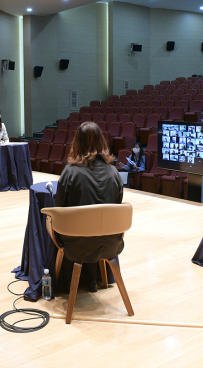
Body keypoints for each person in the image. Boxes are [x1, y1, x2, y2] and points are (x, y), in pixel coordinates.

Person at [55, 121, 124, 292]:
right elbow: (118, 204)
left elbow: (59, 208)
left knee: (50, 222)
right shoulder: (114, 172)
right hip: (111, 243)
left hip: (77, 245)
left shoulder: (70, 172)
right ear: (102, 141)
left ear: (77, 142)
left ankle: (63, 282)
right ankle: (95, 278)